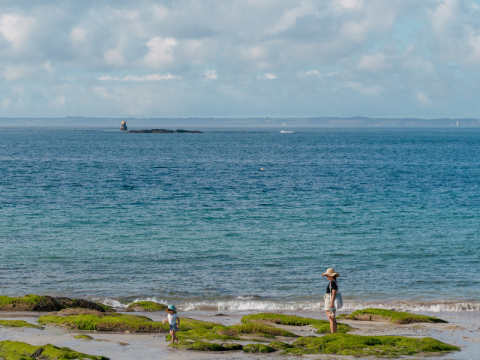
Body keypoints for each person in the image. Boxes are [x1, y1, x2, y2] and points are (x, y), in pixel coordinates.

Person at [322, 268, 339, 333]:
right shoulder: (334, 282)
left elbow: (334, 292)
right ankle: (334, 332)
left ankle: (332, 333)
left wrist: (331, 303)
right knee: (333, 318)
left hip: (330, 300)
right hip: (330, 300)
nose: (326, 276)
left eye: (327, 275)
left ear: (332, 275)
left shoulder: (332, 283)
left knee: (331, 319)